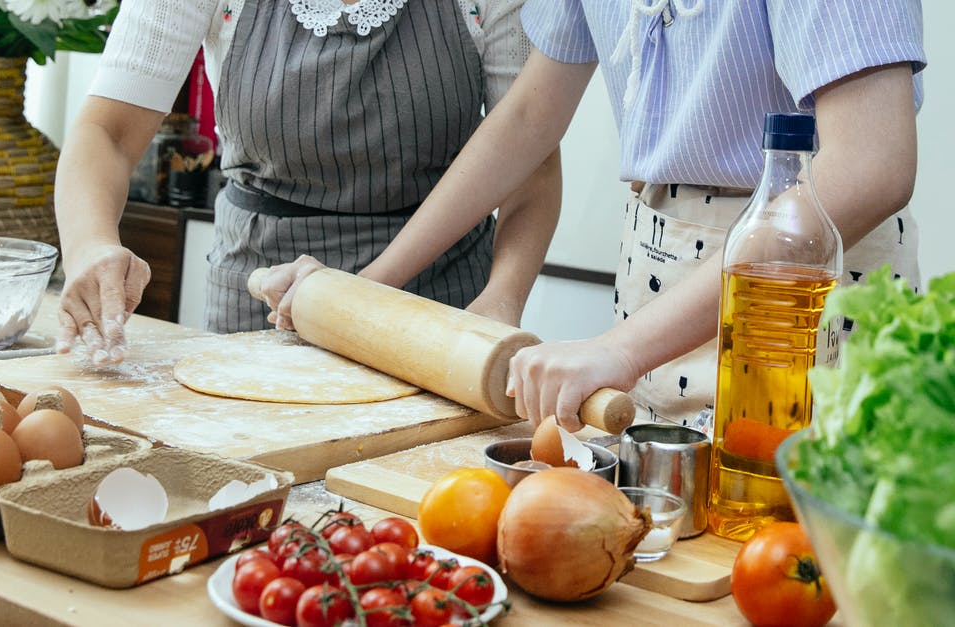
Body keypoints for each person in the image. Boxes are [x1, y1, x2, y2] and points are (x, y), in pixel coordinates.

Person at [258, 0, 926, 431]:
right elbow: (527, 116)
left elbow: (871, 164)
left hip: (798, 283)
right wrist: (368, 284)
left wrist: (619, 350)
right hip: (659, 273)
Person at [53, 0, 563, 365]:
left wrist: (501, 299)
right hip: (258, 299)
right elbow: (109, 133)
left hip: (434, 310)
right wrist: (91, 243)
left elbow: (531, 165)